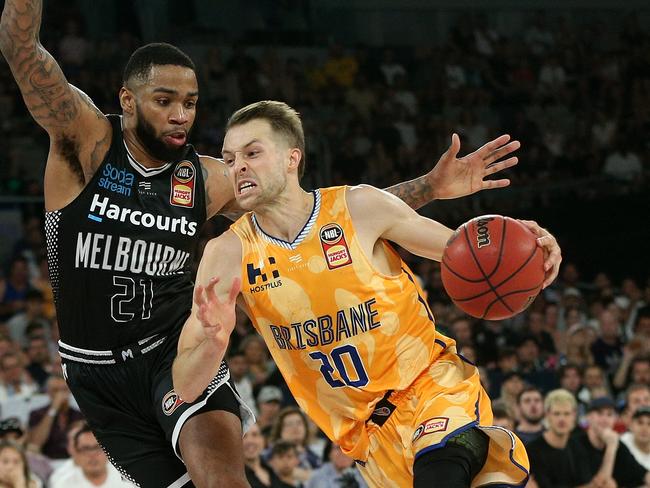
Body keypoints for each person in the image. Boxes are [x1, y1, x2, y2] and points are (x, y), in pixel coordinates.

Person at [1, 2, 525, 485]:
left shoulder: (207, 179)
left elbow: (319, 220)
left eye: (190, 102)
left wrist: (429, 188)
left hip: (176, 350)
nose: (181, 114)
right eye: (165, 101)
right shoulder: (87, 143)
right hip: (96, 371)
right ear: (128, 100)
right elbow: (21, 49)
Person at [174, 101, 563, 487]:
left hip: (431, 386)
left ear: (292, 158)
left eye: (252, 152)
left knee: (441, 472)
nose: (237, 165)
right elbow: (186, 386)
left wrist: (526, 246)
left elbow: (467, 256)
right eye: (229, 158)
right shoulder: (227, 255)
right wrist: (214, 340)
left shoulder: (359, 206)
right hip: (367, 441)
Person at [571, 396, 650, 487]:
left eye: (609, 414)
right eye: (600, 414)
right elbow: (601, 485)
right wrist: (611, 447)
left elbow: (642, 473)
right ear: (589, 417)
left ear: (615, 419)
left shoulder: (619, 445)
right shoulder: (576, 444)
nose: (605, 419)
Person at [526, 389, 593, 488]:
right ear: (547, 415)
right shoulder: (532, 451)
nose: (562, 419)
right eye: (556, 414)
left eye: (566, 414)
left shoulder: (579, 447)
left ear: (574, 415)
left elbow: (588, 484)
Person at [50, 424, 134, 488]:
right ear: (75, 452)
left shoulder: (129, 479)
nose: (92, 455)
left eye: (97, 447)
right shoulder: (63, 484)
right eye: (86, 449)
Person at [27, 374, 83, 460]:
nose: (60, 394)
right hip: (47, 461)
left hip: (74, 460)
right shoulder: (37, 414)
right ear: (48, 392)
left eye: (64, 390)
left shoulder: (79, 415)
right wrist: (53, 409)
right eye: (55, 390)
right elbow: (35, 443)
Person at [621, 406, 650, 470]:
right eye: (640, 423)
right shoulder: (622, 443)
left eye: (649, 424)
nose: (644, 428)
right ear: (631, 425)